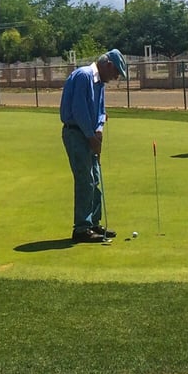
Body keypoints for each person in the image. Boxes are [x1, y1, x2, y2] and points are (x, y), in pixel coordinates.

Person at [59, 49, 128, 243]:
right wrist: (91, 136)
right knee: (85, 179)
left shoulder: (101, 83)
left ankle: (93, 223)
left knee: (95, 178)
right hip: (76, 133)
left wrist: (99, 130)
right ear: (108, 65)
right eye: (116, 72)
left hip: (89, 134)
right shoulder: (84, 76)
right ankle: (81, 228)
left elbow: (101, 110)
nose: (115, 77)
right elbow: (79, 110)